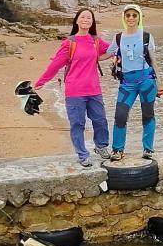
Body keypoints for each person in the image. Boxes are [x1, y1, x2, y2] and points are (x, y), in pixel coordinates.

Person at [32, 8, 113, 166]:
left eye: (89, 18)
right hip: (75, 91)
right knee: (78, 123)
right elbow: (55, 64)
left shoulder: (96, 40)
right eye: (83, 17)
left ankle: (101, 147)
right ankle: (82, 154)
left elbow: (113, 49)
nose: (86, 20)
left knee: (100, 120)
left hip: (94, 89)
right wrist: (41, 81)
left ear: (92, 22)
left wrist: (107, 57)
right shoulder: (70, 43)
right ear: (77, 20)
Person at [106, 3, 163, 159]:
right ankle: (118, 150)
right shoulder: (118, 37)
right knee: (120, 115)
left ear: (139, 17)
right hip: (127, 83)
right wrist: (84, 56)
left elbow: (153, 60)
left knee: (148, 114)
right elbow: (107, 53)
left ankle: (148, 149)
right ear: (124, 18)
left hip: (146, 80)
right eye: (128, 15)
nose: (131, 18)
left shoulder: (147, 37)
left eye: (134, 15)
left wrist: (159, 83)